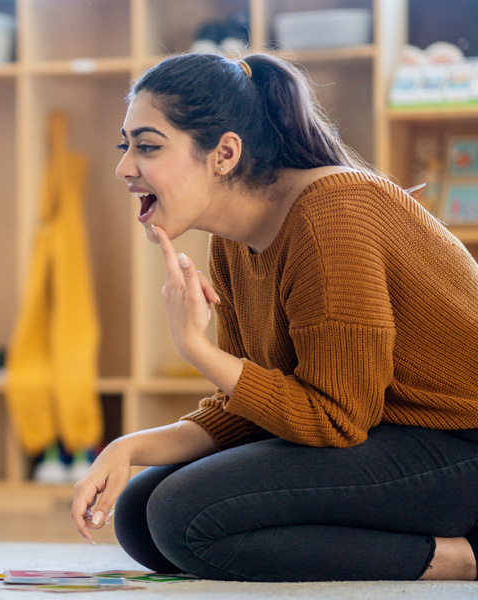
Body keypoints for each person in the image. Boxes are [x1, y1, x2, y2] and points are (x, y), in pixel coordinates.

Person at [71, 52, 478, 582]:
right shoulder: (233, 242)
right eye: (126, 146)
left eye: (147, 146)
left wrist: (196, 347)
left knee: (184, 517)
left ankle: (464, 557)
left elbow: (336, 418)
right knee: (140, 516)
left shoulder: (332, 215)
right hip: (390, 436)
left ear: (224, 153)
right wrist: (130, 447)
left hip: (458, 444)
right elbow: (256, 407)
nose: (125, 166)